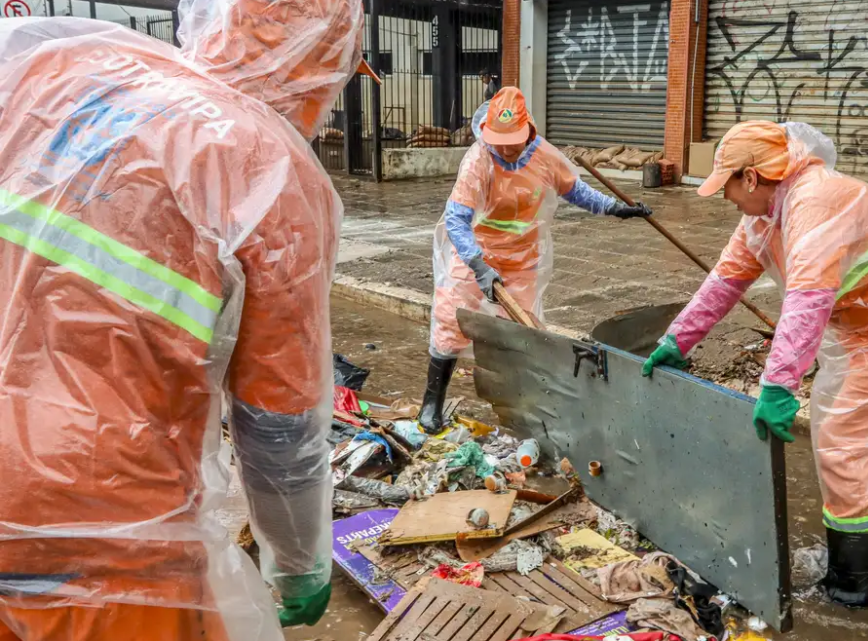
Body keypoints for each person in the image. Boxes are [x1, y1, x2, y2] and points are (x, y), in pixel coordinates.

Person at [0, 1, 379, 638]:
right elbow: (278, 429)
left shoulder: (57, 67)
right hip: (104, 535)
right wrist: (297, 565)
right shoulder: (267, 168)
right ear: (315, 67)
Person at [642, 121, 868, 608]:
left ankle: (848, 590)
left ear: (750, 178)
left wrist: (777, 386)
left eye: (727, 186)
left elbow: (808, 300)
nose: (726, 198)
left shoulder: (816, 201)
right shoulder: (765, 215)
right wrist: (678, 340)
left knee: (847, 449)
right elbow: (725, 281)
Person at [418, 87, 652, 433]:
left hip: (521, 257)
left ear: (528, 131)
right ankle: (430, 404)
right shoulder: (478, 160)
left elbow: (575, 190)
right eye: (500, 139)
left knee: (521, 330)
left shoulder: (543, 155)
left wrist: (615, 208)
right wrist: (479, 266)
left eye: (513, 139)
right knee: (451, 322)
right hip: (475, 253)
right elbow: (456, 219)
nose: (507, 147)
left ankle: (522, 411)